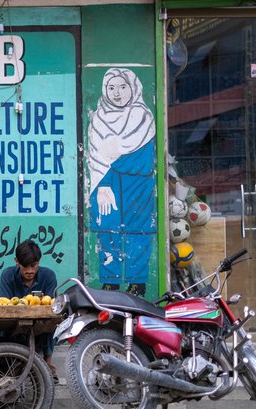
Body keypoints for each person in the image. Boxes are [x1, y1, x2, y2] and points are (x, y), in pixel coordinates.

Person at [87, 68, 156, 298]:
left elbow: (144, 157)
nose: (117, 93)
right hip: (107, 184)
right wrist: (104, 185)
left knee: (140, 232)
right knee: (107, 229)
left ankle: (137, 283)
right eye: (111, 87)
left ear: (133, 87)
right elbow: (96, 157)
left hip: (139, 185)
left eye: (123, 86)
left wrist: (114, 154)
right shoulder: (97, 118)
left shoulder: (143, 117)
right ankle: (110, 281)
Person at [0, 239, 58, 383]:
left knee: (52, 321)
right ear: (16, 261)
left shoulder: (49, 276)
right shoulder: (7, 275)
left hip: (40, 323)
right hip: (13, 322)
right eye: (25, 266)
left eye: (33, 265)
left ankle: (47, 363)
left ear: (39, 262)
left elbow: (50, 304)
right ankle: (6, 365)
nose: (30, 271)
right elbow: (5, 304)